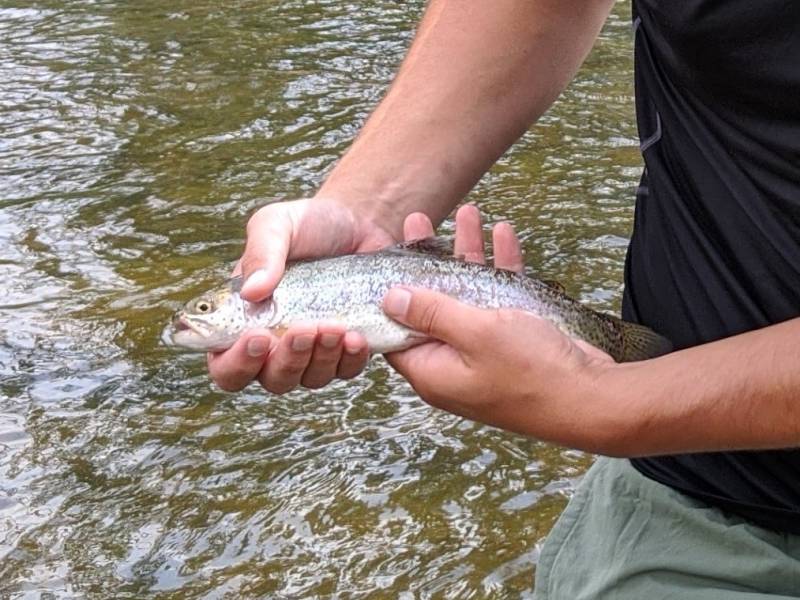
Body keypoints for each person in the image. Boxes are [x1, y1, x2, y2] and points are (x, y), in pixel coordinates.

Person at [208, 1, 800, 597]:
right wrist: (369, 214)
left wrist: (608, 405)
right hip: (683, 486)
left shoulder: (617, 405)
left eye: (207, 311)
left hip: (653, 433)